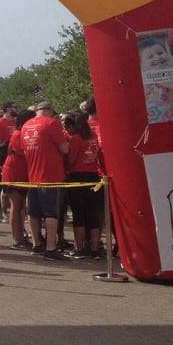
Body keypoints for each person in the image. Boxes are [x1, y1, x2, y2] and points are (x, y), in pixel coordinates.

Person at [20, 101, 70, 260]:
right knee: (51, 213)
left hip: (32, 175)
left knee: (33, 213)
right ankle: (51, 248)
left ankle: (36, 244)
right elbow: (64, 149)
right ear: (49, 111)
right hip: (50, 176)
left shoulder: (26, 125)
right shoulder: (52, 123)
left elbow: (24, 149)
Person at [64, 111, 103, 259]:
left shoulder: (76, 139)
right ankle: (94, 249)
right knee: (92, 214)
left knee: (78, 215)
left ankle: (79, 248)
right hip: (93, 177)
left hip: (77, 177)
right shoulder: (93, 135)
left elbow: (71, 160)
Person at [1, 109, 35, 249]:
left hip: (22, 173)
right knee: (16, 205)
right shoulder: (17, 134)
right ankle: (17, 239)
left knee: (20, 206)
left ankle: (21, 235)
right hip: (13, 173)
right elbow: (23, 151)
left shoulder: (23, 133)